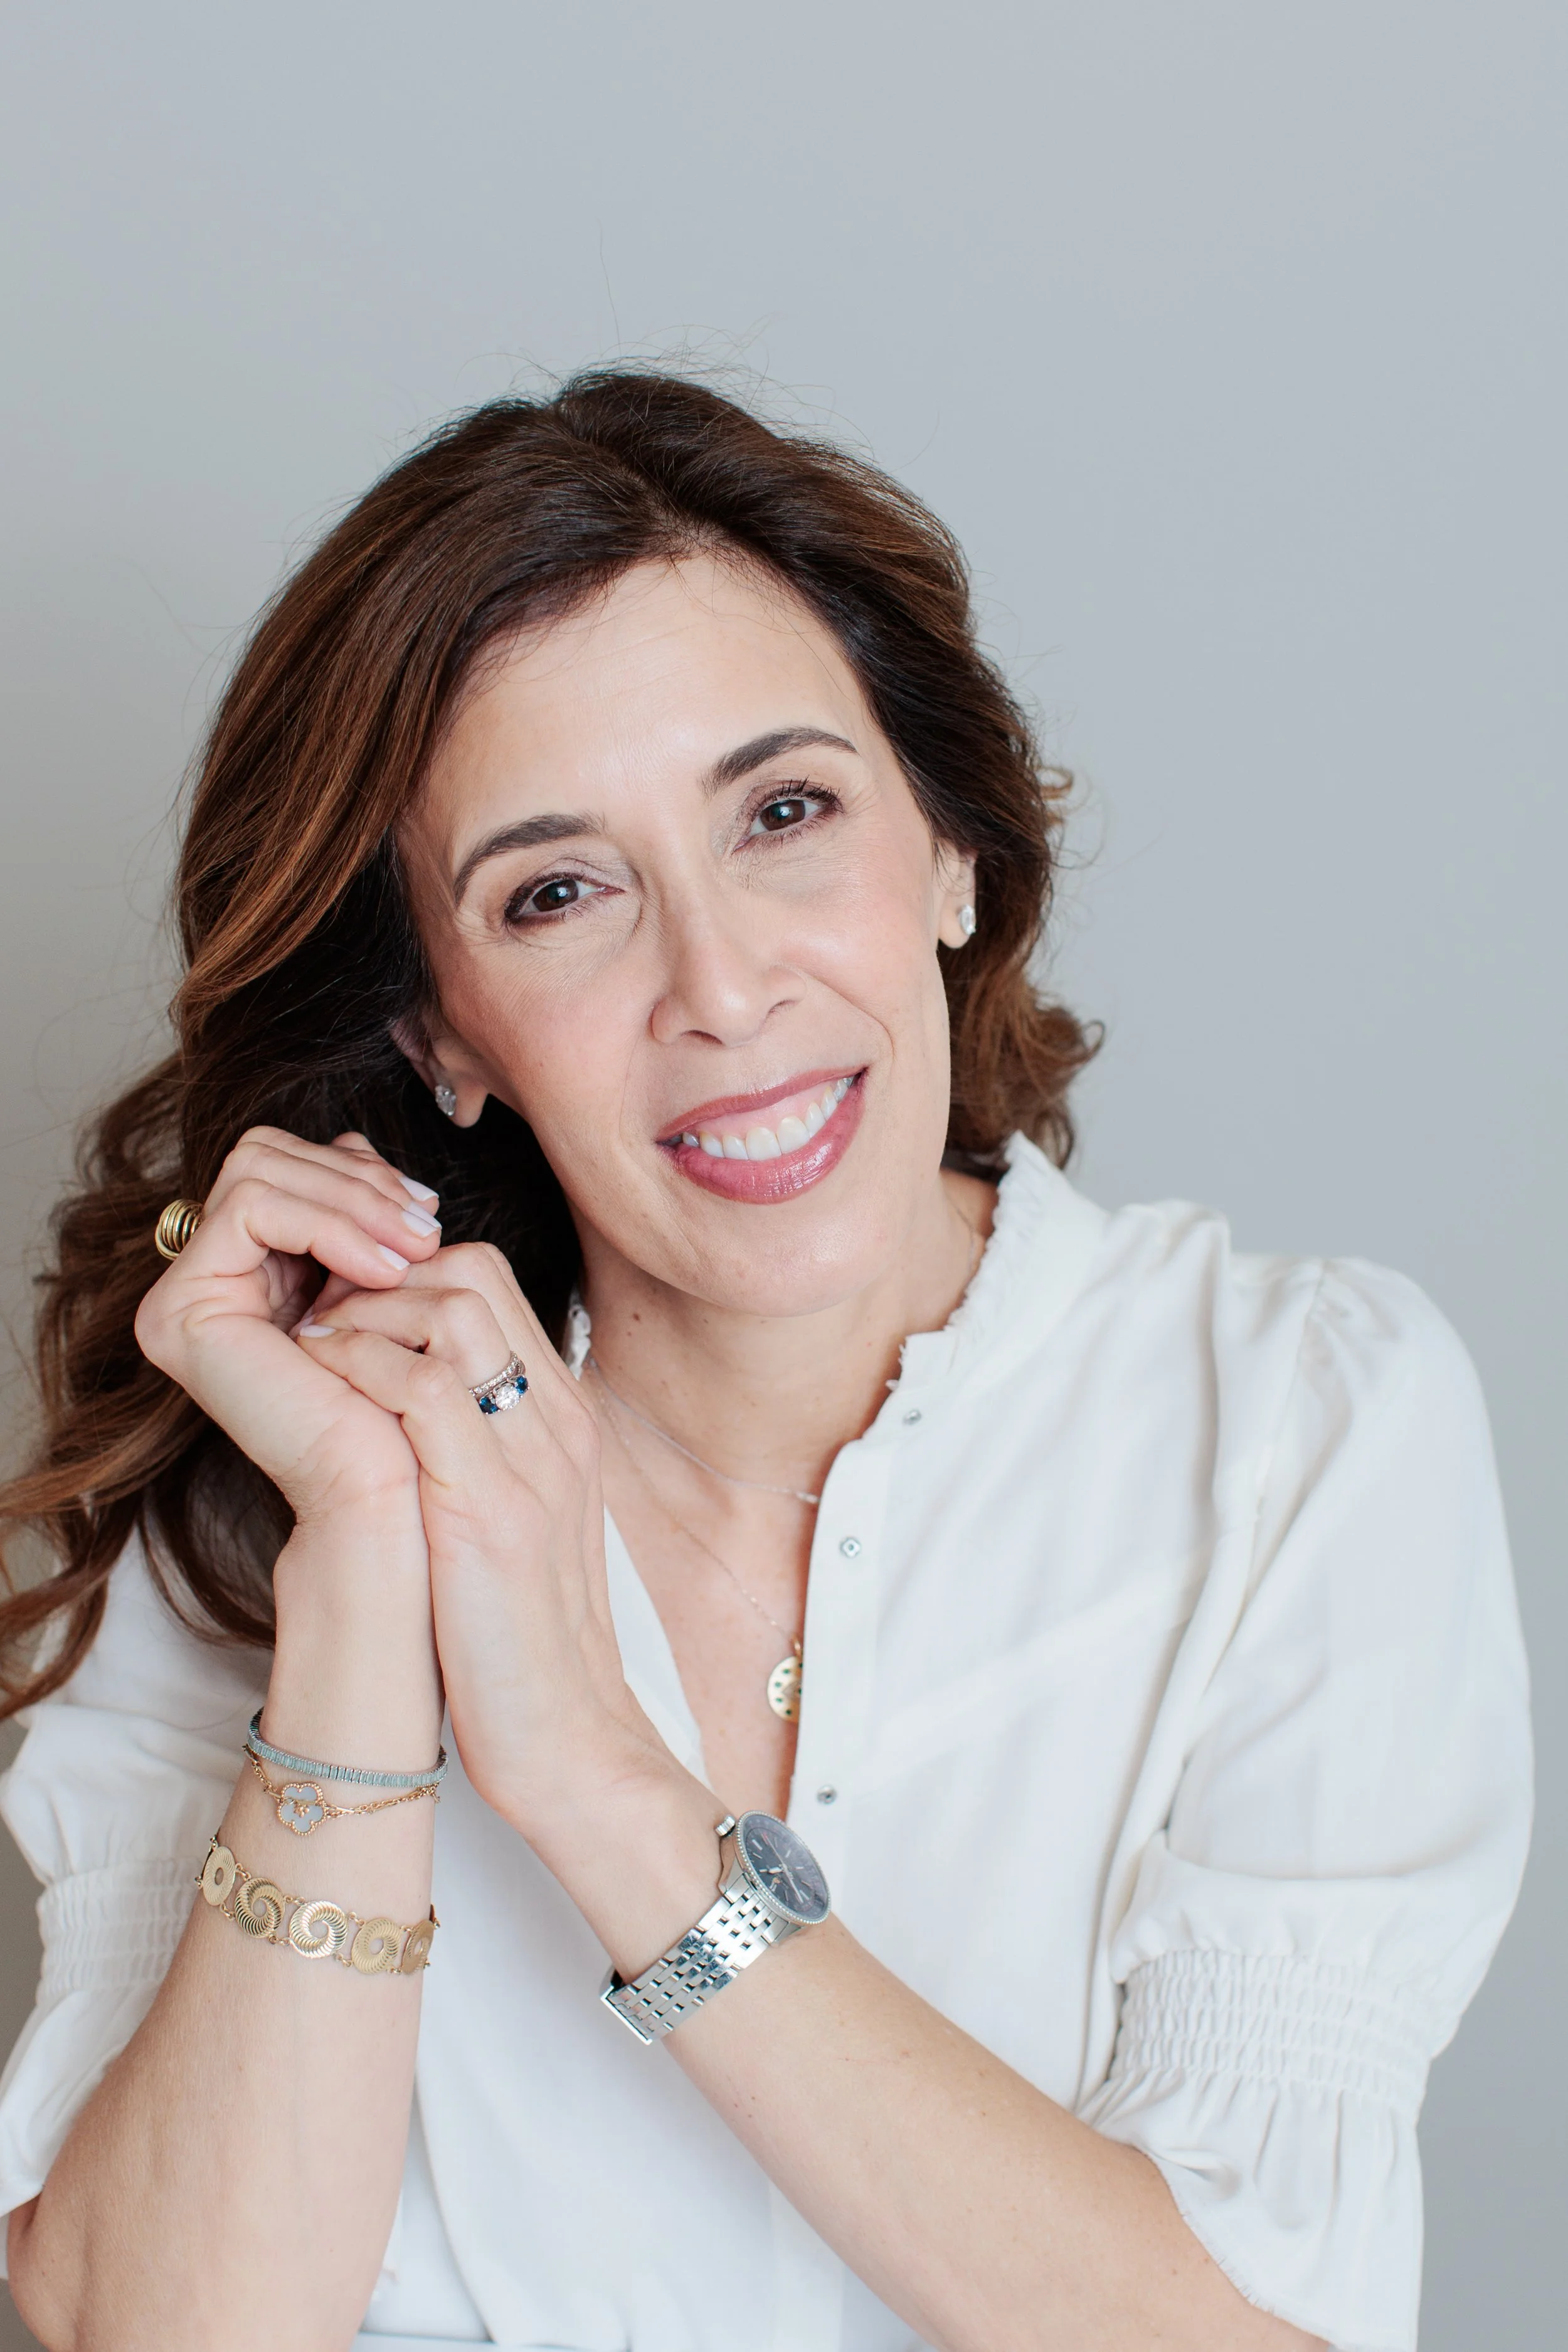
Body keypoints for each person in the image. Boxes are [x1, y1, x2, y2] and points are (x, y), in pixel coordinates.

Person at [0, 372, 1530, 2352]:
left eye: (783, 813)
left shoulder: (1296, 1423)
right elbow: (162, 2329)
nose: (719, 988)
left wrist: (597, 1776)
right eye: (558, 893)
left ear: (953, 845)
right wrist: (365, 1585)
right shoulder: (285, 1471)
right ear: (441, 1032)